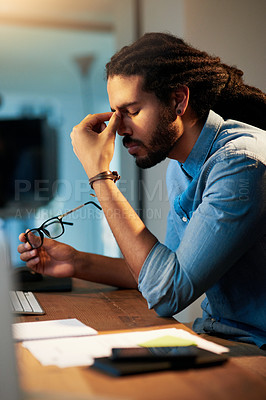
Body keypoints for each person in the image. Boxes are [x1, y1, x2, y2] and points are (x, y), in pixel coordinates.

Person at [18, 32, 266, 348]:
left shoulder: (241, 164)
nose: (119, 129)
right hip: (217, 335)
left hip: (256, 349)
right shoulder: (182, 164)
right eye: (114, 113)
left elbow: (169, 291)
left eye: (132, 111)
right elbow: (166, 270)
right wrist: (79, 263)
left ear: (178, 100)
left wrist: (100, 175)